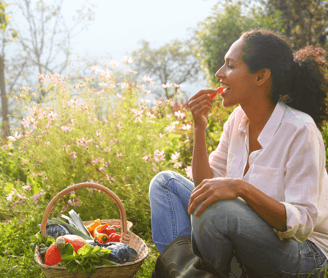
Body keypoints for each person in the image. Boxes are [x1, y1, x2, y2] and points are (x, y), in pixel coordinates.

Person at [149, 29, 328, 277]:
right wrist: (199, 127)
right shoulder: (238, 119)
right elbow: (205, 186)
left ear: (261, 76)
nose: (219, 74)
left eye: (230, 66)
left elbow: (303, 224)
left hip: (301, 252)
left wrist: (241, 187)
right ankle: (196, 272)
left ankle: (189, 270)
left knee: (215, 211)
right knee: (165, 184)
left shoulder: (300, 130)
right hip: (245, 236)